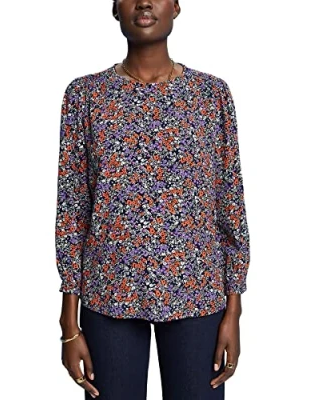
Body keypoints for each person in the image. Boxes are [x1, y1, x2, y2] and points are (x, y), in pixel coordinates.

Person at [55, 1, 250, 399]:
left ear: (176, 7)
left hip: (197, 291)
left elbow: (229, 200)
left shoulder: (210, 95)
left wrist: (234, 309)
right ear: (115, 8)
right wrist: (68, 325)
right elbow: (72, 210)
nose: (144, 2)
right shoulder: (85, 96)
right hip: (109, 291)